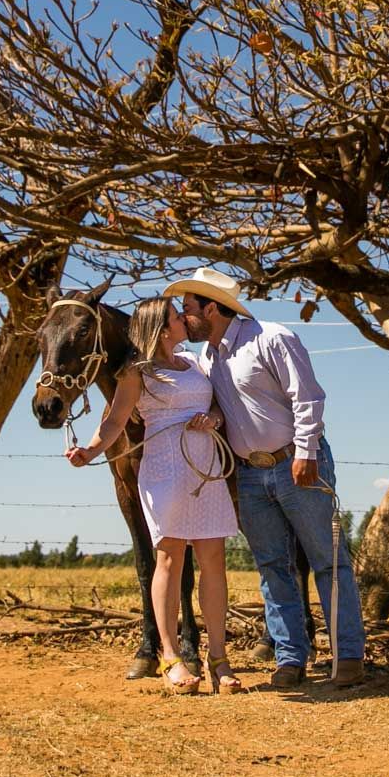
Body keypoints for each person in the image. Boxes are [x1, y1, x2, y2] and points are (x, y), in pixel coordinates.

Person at [164, 267, 366, 688]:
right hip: (252, 475)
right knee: (273, 566)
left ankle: (348, 655)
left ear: (212, 308)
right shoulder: (209, 357)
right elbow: (234, 409)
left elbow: (307, 396)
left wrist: (307, 450)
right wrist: (214, 417)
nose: (184, 318)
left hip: (296, 462)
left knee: (328, 561)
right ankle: (290, 657)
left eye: (188, 309)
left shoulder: (272, 338)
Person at [66, 295, 244, 694]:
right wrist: (89, 452)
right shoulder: (137, 373)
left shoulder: (197, 364)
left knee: (213, 559)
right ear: (163, 329)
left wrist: (212, 419)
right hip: (165, 469)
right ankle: (171, 657)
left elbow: (217, 408)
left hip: (205, 466)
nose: (185, 319)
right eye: (177, 317)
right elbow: (113, 421)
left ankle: (219, 658)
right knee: (169, 558)